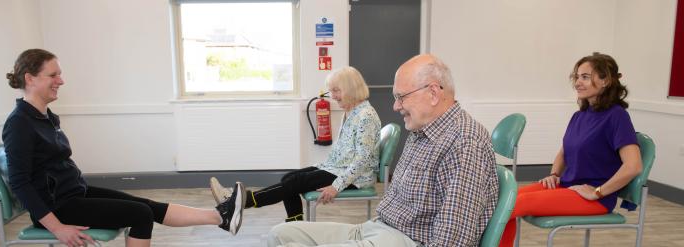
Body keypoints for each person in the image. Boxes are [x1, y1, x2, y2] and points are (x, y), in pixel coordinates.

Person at [2, 48, 246, 247]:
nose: (61, 81)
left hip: (74, 194)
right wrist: (57, 228)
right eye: (53, 75)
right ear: (30, 78)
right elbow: (20, 183)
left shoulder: (45, 117)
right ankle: (220, 216)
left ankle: (220, 217)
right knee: (140, 215)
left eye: (60, 74)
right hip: (58, 208)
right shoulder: (19, 124)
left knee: (145, 206)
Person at [266, 54, 499, 247]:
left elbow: (453, 241)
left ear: (434, 93)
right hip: (378, 226)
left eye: (401, 97)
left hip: (406, 240)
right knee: (279, 234)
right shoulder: (421, 131)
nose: (395, 106)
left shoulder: (466, 142)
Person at [498, 52, 643, 247]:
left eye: (585, 77)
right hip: (567, 186)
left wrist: (598, 192)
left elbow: (633, 166)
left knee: (511, 206)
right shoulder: (580, 115)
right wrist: (554, 173)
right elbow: (564, 152)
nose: (577, 82)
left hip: (594, 199)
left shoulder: (617, 117)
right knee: (505, 199)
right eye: (577, 77)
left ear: (605, 80)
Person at [209, 66, 382, 222]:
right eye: (332, 91)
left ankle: (239, 201)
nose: (333, 96)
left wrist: (336, 186)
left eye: (337, 90)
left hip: (355, 176)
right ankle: (294, 223)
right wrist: (321, 167)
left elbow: (362, 160)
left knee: (294, 183)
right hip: (338, 168)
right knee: (289, 178)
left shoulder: (365, 116)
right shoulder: (352, 112)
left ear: (351, 89)